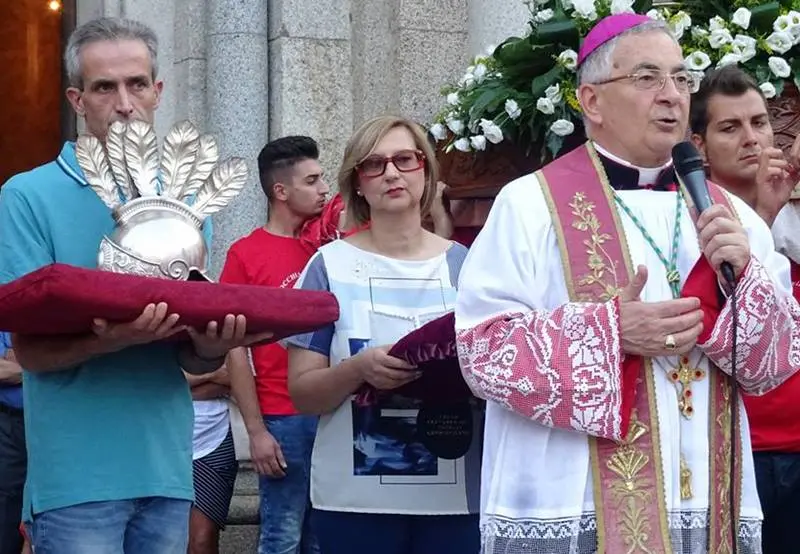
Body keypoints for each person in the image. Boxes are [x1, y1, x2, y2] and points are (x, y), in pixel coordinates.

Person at [454, 13, 800, 553]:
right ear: (591, 101)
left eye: (681, 78)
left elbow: (775, 364)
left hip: (705, 494)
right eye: (647, 77)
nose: (672, 95)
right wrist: (610, 332)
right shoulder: (529, 205)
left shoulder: (731, 216)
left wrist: (745, 283)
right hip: (571, 493)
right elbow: (482, 351)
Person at [0, 17, 268, 554]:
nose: (124, 103)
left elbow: (188, 354)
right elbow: (29, 353)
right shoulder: (27, 196)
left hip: (167, 468)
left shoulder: (185, 205)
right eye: (105, 87)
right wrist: (112, 339)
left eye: (137, 84)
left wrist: (212, 345)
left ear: (157, 92)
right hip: (77, 478)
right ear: (77, 100)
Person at [286, 115, 480, 554]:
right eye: (374, 164)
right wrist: (357, 369)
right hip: (355, 505)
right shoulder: (327, 267)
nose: (391, 173)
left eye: (404, 159)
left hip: (456, 500)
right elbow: (303, 394)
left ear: (425, 171)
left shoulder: (467, 266)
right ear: (357, 183)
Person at [690, 64, 800, 554]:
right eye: (730, 127)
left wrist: (771, 215)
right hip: (731, 451)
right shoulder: (683, 219)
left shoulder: (788, 213)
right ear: (699, 145)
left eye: (759, 123)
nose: (752, 139)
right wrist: (763, 217)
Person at [221, 136, 330, 554]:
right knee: (282, 536)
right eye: (312, 181)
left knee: (325, 537)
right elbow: (234, 349)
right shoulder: (245, 254)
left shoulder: (328, 248)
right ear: (281, 191)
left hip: (333, 410)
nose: (324, 189)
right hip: (282, 416)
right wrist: (256, 431)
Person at [185, 364, 238, 554]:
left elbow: (234, 377)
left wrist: (177, 387)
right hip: (158, 441)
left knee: (202, 540)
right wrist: (211, 375)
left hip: (215, 436)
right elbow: (150, 383)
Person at [0, 332, 25, 554]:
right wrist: (42, 364)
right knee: (7, 502)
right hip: (10, 423)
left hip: (58, 425)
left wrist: (23, 362)